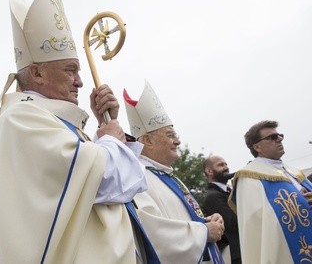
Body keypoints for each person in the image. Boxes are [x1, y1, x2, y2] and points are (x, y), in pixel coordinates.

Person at [0, 0, 148, 263]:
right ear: (38, 73)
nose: (79, 80)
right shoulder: (22, 118)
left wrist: (106, 127)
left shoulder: (38, 118)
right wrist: (111, 138)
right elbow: (105, 182)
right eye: (70, 70)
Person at [123, 81, 225, 263]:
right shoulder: (137, 177)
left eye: (175, 135)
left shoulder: (168, 176)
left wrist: (206, 220)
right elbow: (151, 231)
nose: (177, 141)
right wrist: (204, 232)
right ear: (147, 140)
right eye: (170, 135)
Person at [229, 120, 312, 263]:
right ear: (257, 147)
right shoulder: (249, 177)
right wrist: (300, 203)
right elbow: (257, 221)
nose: (279, 139)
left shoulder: (293, 172)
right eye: (272, 137)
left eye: (279, 135)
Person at [203, 155, 241, 264]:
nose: (226, 167)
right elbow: (234, 224)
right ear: (209, 171)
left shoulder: (228, 192)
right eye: (220, 165)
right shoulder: (213, 196)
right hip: (235, 255)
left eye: (226, 164)